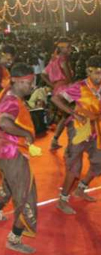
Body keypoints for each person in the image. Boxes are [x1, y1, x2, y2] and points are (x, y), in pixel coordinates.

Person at [0, 63, 38, 254]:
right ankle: (15, 239)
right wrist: (26, 134)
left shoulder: (10, 95)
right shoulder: (11, 101)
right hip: (12, 152)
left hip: (5, 151)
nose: (31, 87)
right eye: (28, 83)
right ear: (16, 81)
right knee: (26, 195)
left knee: (8, 185)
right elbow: (4, 121)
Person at [51, 55, 101, 214]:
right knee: (75, 166)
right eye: (97, 73)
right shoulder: (79, 87)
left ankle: (81, 189)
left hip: (97, 129)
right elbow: (56, 99)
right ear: (89, 71)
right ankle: (62, 200)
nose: (100, 76)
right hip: (79, 129)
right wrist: (73, 112)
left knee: (99, 161)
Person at [41, 38, 74, 150]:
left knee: (66, 116)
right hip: (66, 89)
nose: (71, 49)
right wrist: (73, 86)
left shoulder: (53, 60)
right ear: (62, 48)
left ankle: (55, 140)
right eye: (68, 47)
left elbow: (43, 74)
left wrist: (52, 85)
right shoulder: (63, 59)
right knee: (73, 113)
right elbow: (69, 77)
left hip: (57, 89)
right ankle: (72, 145)